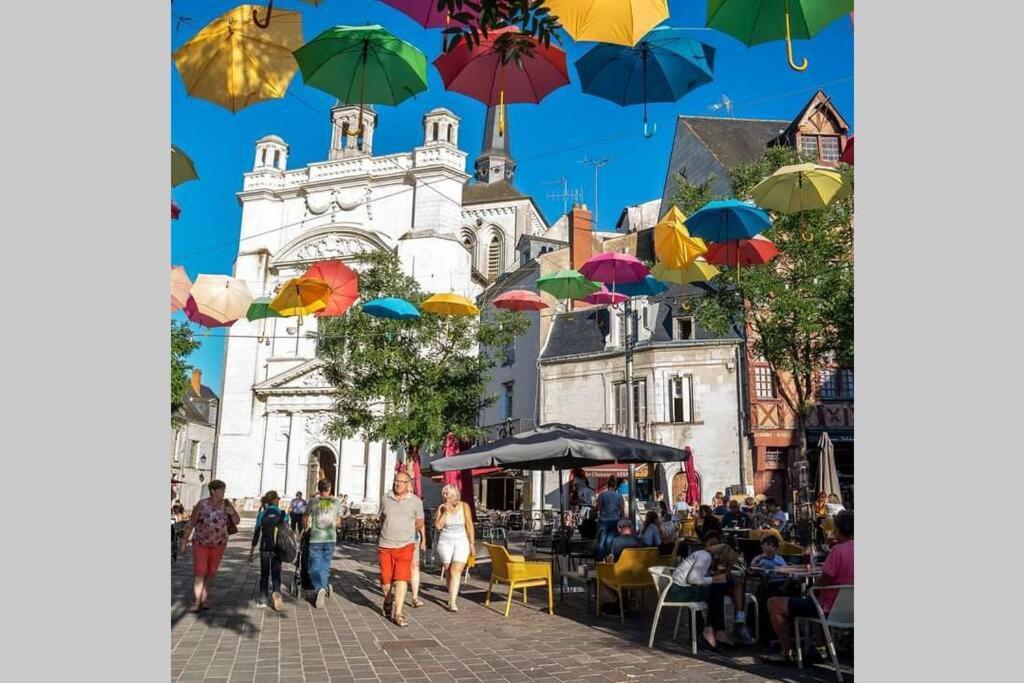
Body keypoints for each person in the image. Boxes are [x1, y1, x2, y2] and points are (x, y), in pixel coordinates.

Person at [764, 511, 854, 667]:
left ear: (838, 529)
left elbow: (824, 579)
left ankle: (787, 653)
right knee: (816, 598)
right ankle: (820, 647)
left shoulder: (838, 551)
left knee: (774, 603)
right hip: (850, 609)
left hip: (827, 609)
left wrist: (812, 588)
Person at [668, 530, 736, 649]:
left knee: (716, 591)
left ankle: (712, 630)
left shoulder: (703, 554)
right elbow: (693, 579)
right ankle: (714, 631)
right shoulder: (705, 557)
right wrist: (714, 579)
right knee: (716, 592)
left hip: (681, 589)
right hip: (680, 591)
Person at [179, 480, 240, 613]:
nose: (224, 492)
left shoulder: (226, 504)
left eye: (224, 489)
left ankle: (204, 599)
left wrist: (232, 513)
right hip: (201, 542)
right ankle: (196, 602)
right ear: (213, 490)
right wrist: (184, 541)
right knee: (200, 571)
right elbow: (191, 523)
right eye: (222, 490)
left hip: (219, 543)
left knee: (211, 572)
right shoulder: (202, 504)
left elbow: (236, 521)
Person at [378, 472, 426, 627]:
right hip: (386, 544)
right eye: (396, 481)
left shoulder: (416, 502)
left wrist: (406, 531)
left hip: (406, 545)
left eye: (401, 482)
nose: (398, 484)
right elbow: (382, 518)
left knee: (402, 579)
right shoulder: (385, 498)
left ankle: (398, 612)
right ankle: (388, 599)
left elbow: (419, 523)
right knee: (386, 581)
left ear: (408, 484)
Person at [434, 484, 475, 611]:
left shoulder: (464, 506)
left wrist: (472, 543)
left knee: (455, 570)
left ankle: (452, 602)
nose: (445, 496)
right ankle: (451, 593)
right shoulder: (442, 507)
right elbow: (438, 526)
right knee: (448, 570)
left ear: (454, 494)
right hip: (445, 541)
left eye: (447, 493)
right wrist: (445, 512)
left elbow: (469, 524)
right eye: (444, 494)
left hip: (461, 540)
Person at [305, 479, 344, 609]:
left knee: (313, 567)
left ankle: (319, 588)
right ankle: (323, 586)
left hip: (316, 538)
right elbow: (338, 521)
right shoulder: (336, 502)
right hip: (330, 538)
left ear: (319, 489)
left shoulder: (313, 501)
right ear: (330, 489)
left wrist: (305, 527)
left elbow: (305, 517)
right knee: (325, 565)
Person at [248, 491, 289, 610]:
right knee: (276, 574)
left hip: (265, 547)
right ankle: (277, 595)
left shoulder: (262, 514)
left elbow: (256, 533)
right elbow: (287, 532)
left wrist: (252, 551)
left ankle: (263, 599)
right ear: (275, 500)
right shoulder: (282, 514)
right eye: (278, 499)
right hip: (278, 548)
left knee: (264, 574)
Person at [595, 476, 625, 560]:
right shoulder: (619, 496)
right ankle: (609, 560)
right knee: (609, 541)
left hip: (603, 521)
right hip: (614, 520)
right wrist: (622, 522)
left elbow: (598, 508)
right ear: (615, 485)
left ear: (607, 485)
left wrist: (592, 510)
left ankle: (600, 561)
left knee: (601, 542)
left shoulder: (602, 495)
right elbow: (622, 511)